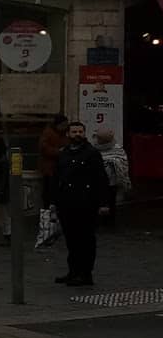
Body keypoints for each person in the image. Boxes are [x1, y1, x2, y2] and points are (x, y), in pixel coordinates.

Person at [53, 121, 110, 287]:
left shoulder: (91, 153)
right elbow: (57, 179)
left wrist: (103, 203)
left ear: (84, 134)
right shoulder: (63, 153)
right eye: (74, 131)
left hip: (86, 203)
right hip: (66, 203)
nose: (77, 134)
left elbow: (101, 179)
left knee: (85, 240)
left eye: (80, 131)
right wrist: (53, 201)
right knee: (71, 240)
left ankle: (85, 274)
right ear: (68, 134)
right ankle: (73, 271)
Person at [93, 128, 130, 226]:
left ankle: (110, 221)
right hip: (98, 181)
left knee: (111, 201)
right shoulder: (94, 149)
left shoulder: (117, 149)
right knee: (98, 200)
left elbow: (123, 162)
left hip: (112, 181)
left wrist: (113, 162)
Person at [38, 113, 69, 203]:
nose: (65, 127)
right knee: (49, 190)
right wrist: (59, 151)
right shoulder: (48, 133)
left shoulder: (64, 134)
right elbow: (44, 148)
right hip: (50, 167)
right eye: (63, 125)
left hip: (60, 167)